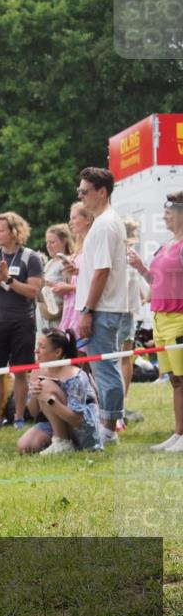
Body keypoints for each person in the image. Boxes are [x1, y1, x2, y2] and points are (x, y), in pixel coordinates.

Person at [75, 167, 131, 445]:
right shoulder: (103, 222)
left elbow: (102, 271)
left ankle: (108, 428)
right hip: (102, 306)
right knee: (102, 367)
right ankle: (108, 423)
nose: (81, 196)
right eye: (79, 192)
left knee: (105, 368)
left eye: (85, 191)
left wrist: (87, 310)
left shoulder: (107, 223)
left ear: (102, 192)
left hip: (103, 308)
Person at [0, 212, 43, 431]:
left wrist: (10, 280)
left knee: (21, 371)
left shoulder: (30, 257)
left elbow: (33, 290)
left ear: (14, 231)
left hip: (23, 321)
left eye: (1, 230)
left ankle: (19, 417)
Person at [129, 191, 183, 451]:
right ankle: (178, 433)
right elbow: (157, 282)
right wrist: (142, 269)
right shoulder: (166, 245)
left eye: (168, 211)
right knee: (174, 379)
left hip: (179, 320)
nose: (163, 216)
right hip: (161, 319)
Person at [16, 329, 102, 455]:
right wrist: (35, 394)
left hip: (83, 429)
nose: (36, 351)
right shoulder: (38, 371)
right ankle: (59, 439)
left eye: (42, 347)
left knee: (47, 385)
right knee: (25, 446)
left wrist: (49, 400)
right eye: (37, 346)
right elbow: (33, 411)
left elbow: (76, 420)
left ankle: (63, 442)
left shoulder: (75, 376)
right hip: (56, 422)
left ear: (57, 352)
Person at [54, 202, 95, 337]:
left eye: (74, 218)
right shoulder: (79, 247)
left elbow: (98, 280)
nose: (70, 223)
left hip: (84, 306)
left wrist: (70, 288)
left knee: (82, 351)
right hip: (73, 305)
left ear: (88, 219)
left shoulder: (93, 245)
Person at [121, 218, 150, 406]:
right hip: (127, 312)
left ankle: (122, 397)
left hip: (121, 312)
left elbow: (145, 292)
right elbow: (145, 292)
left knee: (123, 357)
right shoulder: (131, 255)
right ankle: (123, 396)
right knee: (124, 357)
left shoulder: (127, 256)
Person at [38, 224, 74, 332]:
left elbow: (70, 290)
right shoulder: (49, 263)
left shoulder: (66, 262)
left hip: (57, 316)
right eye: (47, 242)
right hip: (43, 314)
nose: (48, 246)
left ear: (64, 242)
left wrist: (45, 283)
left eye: (52, 242)